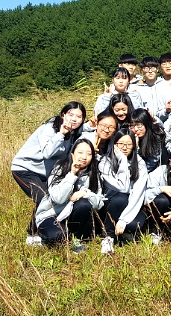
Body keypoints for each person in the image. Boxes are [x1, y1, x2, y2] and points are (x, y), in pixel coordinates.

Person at [11, 102, 86, 246]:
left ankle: (47, 231)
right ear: (63, 115)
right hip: (25, 169)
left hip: (45, 175)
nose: (74, 119)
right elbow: (47, 153)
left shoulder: (74, 132)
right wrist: (61, 134)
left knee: (55, 199)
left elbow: (87, 129)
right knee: (45, 199)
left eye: (79, 117)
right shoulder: (51, 128)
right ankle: (33, 234)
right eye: (70, 115)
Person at [35, 139, 104, 250]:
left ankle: (76, 238)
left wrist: (85, 193)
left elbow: (99, 203)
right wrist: (72, 174)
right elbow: (58, 199)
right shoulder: (60, 168)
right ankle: (41, 238)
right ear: (72, 154)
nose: (84, 157)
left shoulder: (93, 173)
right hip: (52, 215)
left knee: (84, 204)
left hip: (73, 218)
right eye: (80, 153)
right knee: (57, 235)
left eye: (89, 154)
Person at [98, 129, 148, 254]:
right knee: (121, 197)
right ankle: (108, 237)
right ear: (115, 144)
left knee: (134, 225)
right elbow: (123, 187)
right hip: (111, 204)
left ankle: (123, 232)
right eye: (121, 144)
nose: (125, 147)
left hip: (131, 204)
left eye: (129, 144)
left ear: (134, 145)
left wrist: (124, 220)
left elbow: (138, 193)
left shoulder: (140, 163)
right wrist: (123, 160)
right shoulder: (105, 162)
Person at [129, 108, 167, 172]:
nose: (135, 129)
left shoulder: (156, 138)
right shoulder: (129, 137)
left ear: (147, 124)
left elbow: (149, 166)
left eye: (139, 125)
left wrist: (136, 148)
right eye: (132, 125)